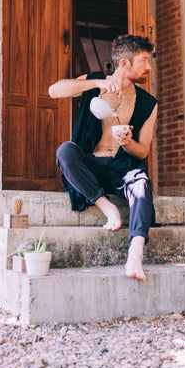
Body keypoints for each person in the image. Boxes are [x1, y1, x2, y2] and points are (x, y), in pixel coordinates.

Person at [48, 34, 157, 281]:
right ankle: (107, 208)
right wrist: (95, 83)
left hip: (123, 167)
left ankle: (136, 253)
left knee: (141, 183)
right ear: (125, 64)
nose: (149, 67)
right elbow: (54, 91)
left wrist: (129, 143)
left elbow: (143, 151)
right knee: (65, 150)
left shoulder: (148, 103)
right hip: (92, 164)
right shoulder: (94, 82)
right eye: (144, 61)